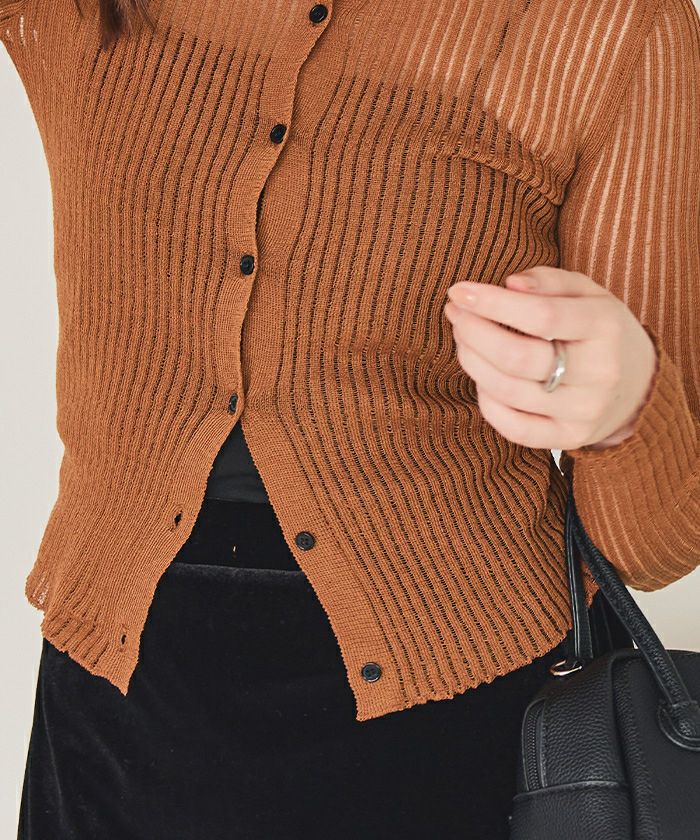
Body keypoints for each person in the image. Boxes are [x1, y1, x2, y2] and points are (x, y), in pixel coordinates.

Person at [4, 0, 698, 837]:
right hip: (115, 696)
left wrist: (626, 412)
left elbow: (652, 545)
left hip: (456, 707)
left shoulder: (609, 24)